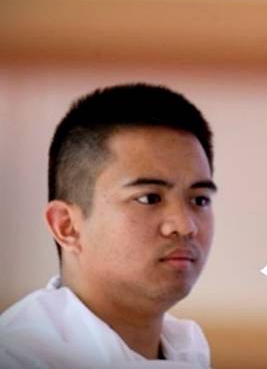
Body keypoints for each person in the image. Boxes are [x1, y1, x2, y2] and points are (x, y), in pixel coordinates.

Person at [0, 83, 217, 368]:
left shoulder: (186, 347)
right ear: (67, 226)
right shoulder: (19, 355)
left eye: (199, 200)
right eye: (149, 198)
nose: (185, 226)